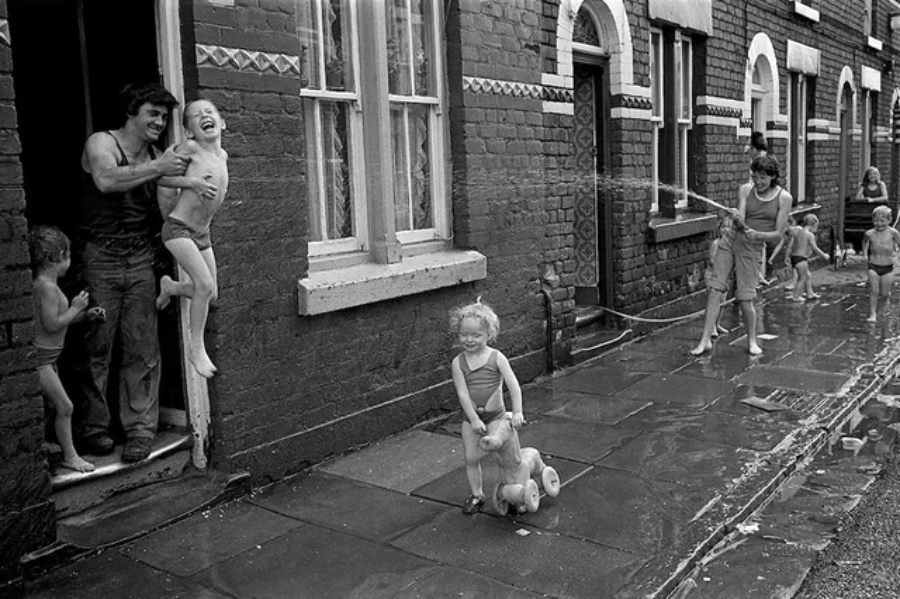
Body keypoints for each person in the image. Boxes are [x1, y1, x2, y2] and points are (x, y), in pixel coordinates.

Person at [78, 82, 192, 462]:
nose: (160, 122)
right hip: (100, 258)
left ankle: (140, 431)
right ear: (132, 112)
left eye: (164, 116)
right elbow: (106, 180)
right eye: (153, 114)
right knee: (97, 347)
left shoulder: (160, 156)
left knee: (143, 349)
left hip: (141, 258)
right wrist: (159, 168)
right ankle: (94, 429)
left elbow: (167, 212)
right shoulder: (102, 143)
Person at [155, 99, 229, 378]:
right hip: (178, 229)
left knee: (211, 295)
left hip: (201, 233)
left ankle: (171, 287)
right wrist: (192, 183)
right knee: (204, 284)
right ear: (188, 131)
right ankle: (196, 348)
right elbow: (160, 177)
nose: (204, 116)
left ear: (221, 123)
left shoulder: (222, 157)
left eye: (210, 111)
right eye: (195, 115)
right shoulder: (190, 149)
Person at [692, 156, 793, 356]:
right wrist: (738, 220)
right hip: (731, 241)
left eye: (763, 178)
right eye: (755, 177)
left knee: (745, 298)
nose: (758, 182)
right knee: (715, 288)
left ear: (773, 177)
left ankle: (752, 340)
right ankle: (705, 340)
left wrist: (757, 235)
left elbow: (778, 234)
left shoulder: (784, 198)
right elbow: (742, 223)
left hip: (752, 247)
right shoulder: (746, 190)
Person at [30, 226, 106, 472]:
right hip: (41, 360)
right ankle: (70, 456)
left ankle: (49, 445)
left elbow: (52, 320)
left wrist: (83, 316)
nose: (70, 262)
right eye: (69, 256)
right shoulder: (46, 287)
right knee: (65, 406)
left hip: (49, 357)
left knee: (52, 407)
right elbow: (52, 325)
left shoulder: (47, 285)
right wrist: (75, 307)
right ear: (59, 256)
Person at [449, 299, 524, 515]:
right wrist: (473, 419)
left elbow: (513, 385)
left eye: (476, 335)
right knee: (471, 458)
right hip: (471, 418)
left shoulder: (496, 358)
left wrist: (517, 412)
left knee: (508, 459)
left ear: (489, 334)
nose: (469, 340)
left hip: (498, 417)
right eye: (464, 334)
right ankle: (477, 495)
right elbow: (462, 393)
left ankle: (514, 494)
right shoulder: (458, 363)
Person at [862, 205, 900, 322]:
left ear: (889, 220)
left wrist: (897, 257)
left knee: (884, 293)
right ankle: (872, 313)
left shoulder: (893, 233)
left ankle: (886, 298)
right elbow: (864, 242)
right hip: (873, 265)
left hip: (888, 266)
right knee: (874, 291)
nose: (879, 224)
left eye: (882, 221)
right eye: (876, 221)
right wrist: (864, 254)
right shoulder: (869, 233)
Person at [787, 214, 829, 302]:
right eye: (816, 226)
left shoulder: (798, 232)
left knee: (808, 275)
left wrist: (787, 256)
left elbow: (791, 245)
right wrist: (824, 255)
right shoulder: (810, 235)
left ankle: (810, 293)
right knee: (802, 278)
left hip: (794, 257)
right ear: (813, 225)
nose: (816, 228)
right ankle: (796, 296)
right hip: (801, 259)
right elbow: (815, 248)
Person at [769, 216, 801, 293]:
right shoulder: (785, 233)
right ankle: (803, 284)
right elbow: (779, 245)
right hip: (797, 250)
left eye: (784, 225)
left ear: (789, 224)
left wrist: (787, 257)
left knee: (795, 266)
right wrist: (771, 258)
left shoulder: (797, 230)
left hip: (801, 249)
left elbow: (790, 246)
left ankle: (794, 283)